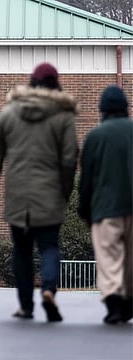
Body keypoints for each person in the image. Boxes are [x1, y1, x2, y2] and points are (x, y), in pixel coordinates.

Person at [0, 63, 78, 322]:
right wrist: (65, 191)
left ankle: (25, 306)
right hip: (50, 194)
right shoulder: (63, 116)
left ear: (31, 83)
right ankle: (48, 289)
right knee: (48, 246)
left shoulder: (9, 113)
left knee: (21, 250)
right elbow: (70, 160)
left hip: (18, 195)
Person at [77, 84, 133, 325]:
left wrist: (84, 207)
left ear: (102, 110)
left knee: (109, 257)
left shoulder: (95, 136)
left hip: (105, 208)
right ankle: (128, 300)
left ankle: (113, 303)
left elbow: (86, 177)